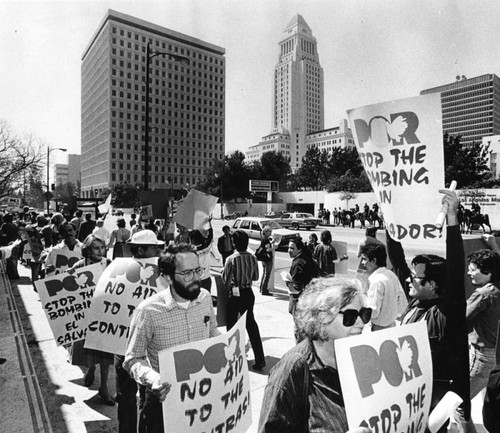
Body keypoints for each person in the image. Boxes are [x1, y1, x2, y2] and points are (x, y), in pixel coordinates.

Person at [386, 189, 470, 431]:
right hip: (408, 391)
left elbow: (455, 269)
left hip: (435, 397)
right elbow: (398, 261)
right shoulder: (416, 302)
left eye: (416, 278)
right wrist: (390, 220)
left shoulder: (446, 313)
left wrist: (452, 218)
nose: (409, 281)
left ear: (432, 286)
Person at [124, 243, 219, 433]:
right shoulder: (148, 311)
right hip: (162, 403)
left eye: (197, 270)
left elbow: (212, 334)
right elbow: (132, 359)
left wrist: (232, 342)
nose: (195, 278)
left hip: (201, 398)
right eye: (186, 273)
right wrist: (154, 379)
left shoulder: (205, 298)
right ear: (167, 277)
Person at [258, 276, 372, 433]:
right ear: (322, 316)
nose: (361, 323)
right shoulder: (293, 369)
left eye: (365, 314)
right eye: (351, 316)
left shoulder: (359, 357)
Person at [114, 230, 164, 433]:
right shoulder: (117, 270)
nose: (158, 251)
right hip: (121, 344)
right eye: (154, 247)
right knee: (126, 397)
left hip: (148, 349)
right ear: (141, 249)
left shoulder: (162, 273)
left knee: (148, 398)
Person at [456, 235, 500, 432]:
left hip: (482, 358)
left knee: (458, 404)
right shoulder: (496, 288)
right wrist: (493, 245)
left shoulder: (483, 294)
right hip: (495, 356)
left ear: (488, 272)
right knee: (488, 404)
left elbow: (458, 319)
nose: (468, 273)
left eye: (472, 270)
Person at [67, 235, 114, 405]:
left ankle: (104, 387)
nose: (100, 251)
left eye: (102, 247)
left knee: (106, 351)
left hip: (105, 313)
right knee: (90, 348)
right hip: (86, 315)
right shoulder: (80, 265)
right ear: (88, 250)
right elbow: (67, 285)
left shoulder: (109, 264)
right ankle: (91, 369)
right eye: (96, 248)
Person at [222, 230, 266, 371]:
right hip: (248, 293)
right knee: (251, 325)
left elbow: (225, 280)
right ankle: (260, 359)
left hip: (235, 294)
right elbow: (255, 277)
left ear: (234, 243)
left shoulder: (231, 259)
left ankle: (234, 358)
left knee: (232, 327)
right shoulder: (252, 258)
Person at [360, 243, 407, 331]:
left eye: (364, 259)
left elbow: (373, 312)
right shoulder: (391, 275)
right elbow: (402, 302)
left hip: (379, 329)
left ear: (373, 261)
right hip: (392, 325)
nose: (362, 263)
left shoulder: (376, 282)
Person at [286, 238, 320, 316]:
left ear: (299, 249)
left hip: (300, 302)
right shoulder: (307, 258)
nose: (289, 250)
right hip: (310, 299)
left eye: (292, 248)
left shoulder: (298, 263)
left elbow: (296, 288)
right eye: (288, 248)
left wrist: (287, 283)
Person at [189, 218, 214, 292]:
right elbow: (210, 237)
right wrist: (209, 223)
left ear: (193, 240)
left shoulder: (191, 253)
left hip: (195, 281)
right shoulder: (207, 248)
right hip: (206, 279)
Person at [356, 227, 384, 292]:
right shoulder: (378, 243)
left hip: (362, 266)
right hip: (372, 267)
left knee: (361, 290)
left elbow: (358, 255)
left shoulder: (362, 242)